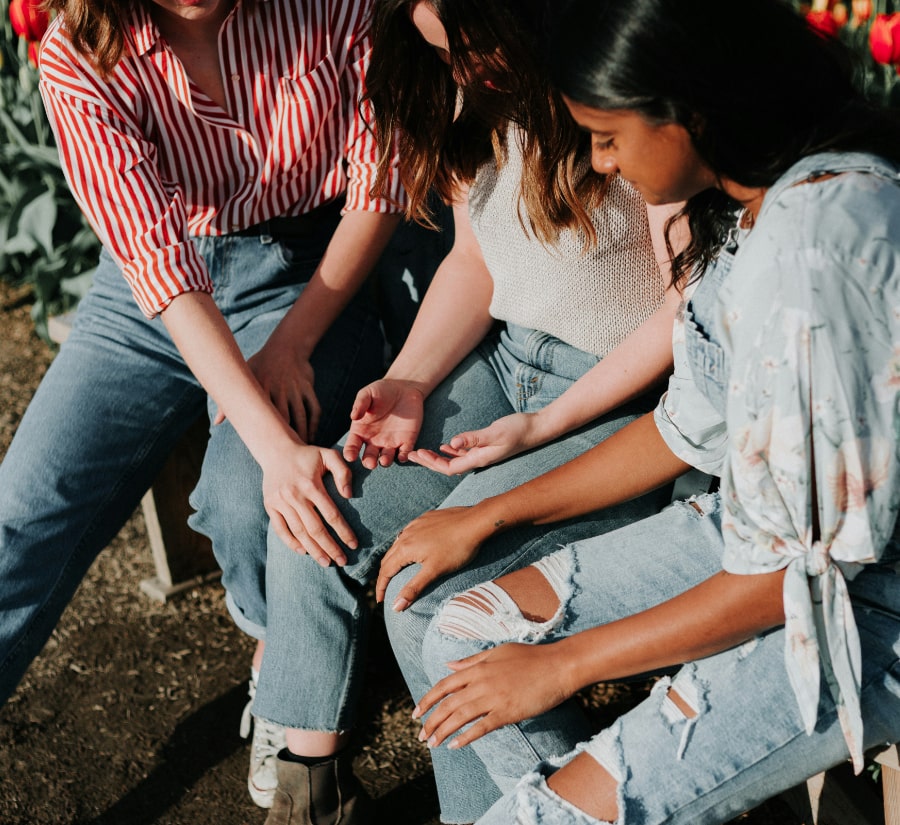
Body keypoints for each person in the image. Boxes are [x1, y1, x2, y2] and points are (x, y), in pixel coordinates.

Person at [402, 1, 900, 822]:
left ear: (693, 108)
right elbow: (682, 428)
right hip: (750, 534)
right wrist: (489, 514)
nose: (598, 164)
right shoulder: (746, 206)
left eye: (607, 135)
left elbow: (797, 577)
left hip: (857, 614)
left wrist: (566, 664)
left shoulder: (815, 252)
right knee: (464, 630)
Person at [244, 0, 688, 821]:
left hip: (614, 398)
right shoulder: (467, 92)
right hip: (503, 364)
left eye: (469, 46)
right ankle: (311, 795)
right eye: (440, 53)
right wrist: (410, 379)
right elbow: (474, 261)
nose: (459, 70)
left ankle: (532, 804)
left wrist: (544, 427)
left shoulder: (611, 93)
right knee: (313, 515)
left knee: (432, 591)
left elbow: (680, 315)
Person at [0, 0, 406, 818]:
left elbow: (380, 180)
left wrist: (291, 347)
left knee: (246, 494)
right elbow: (156, 264)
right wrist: (265, 429)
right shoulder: (78, 51)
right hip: (155, 292)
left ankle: (280, 663)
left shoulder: (335, 5)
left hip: (308, 277)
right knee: (22, 510)